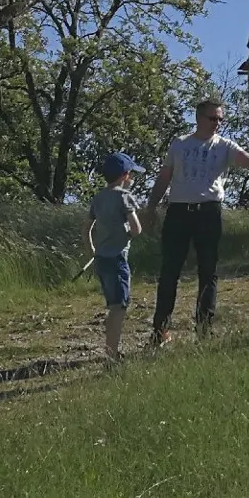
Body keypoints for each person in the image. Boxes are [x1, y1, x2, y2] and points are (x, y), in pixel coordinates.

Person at [145, 98, 249, 344]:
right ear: (199, 118)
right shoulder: (180, 145)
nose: (218, 123)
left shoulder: (224, 145)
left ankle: (204, 327)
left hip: (208, 212)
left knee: (208, 270)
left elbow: (247, 160)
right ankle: (160, 330)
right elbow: (165, 177)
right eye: (213, 118)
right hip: (179, 211)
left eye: (221, 119)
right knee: (170, 270)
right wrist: (150, 207)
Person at [86, 151, 145, 359]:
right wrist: (126, 233)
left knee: (112, 305)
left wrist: (92, 249)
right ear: (125, 175)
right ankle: (112, 354)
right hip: (118, 259)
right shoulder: (124, 197)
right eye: (131, 175)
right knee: (119, 308)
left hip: (101, 260)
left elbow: (86, 228)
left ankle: (110, 348)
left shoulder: (98, 198)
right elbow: (137, 229)